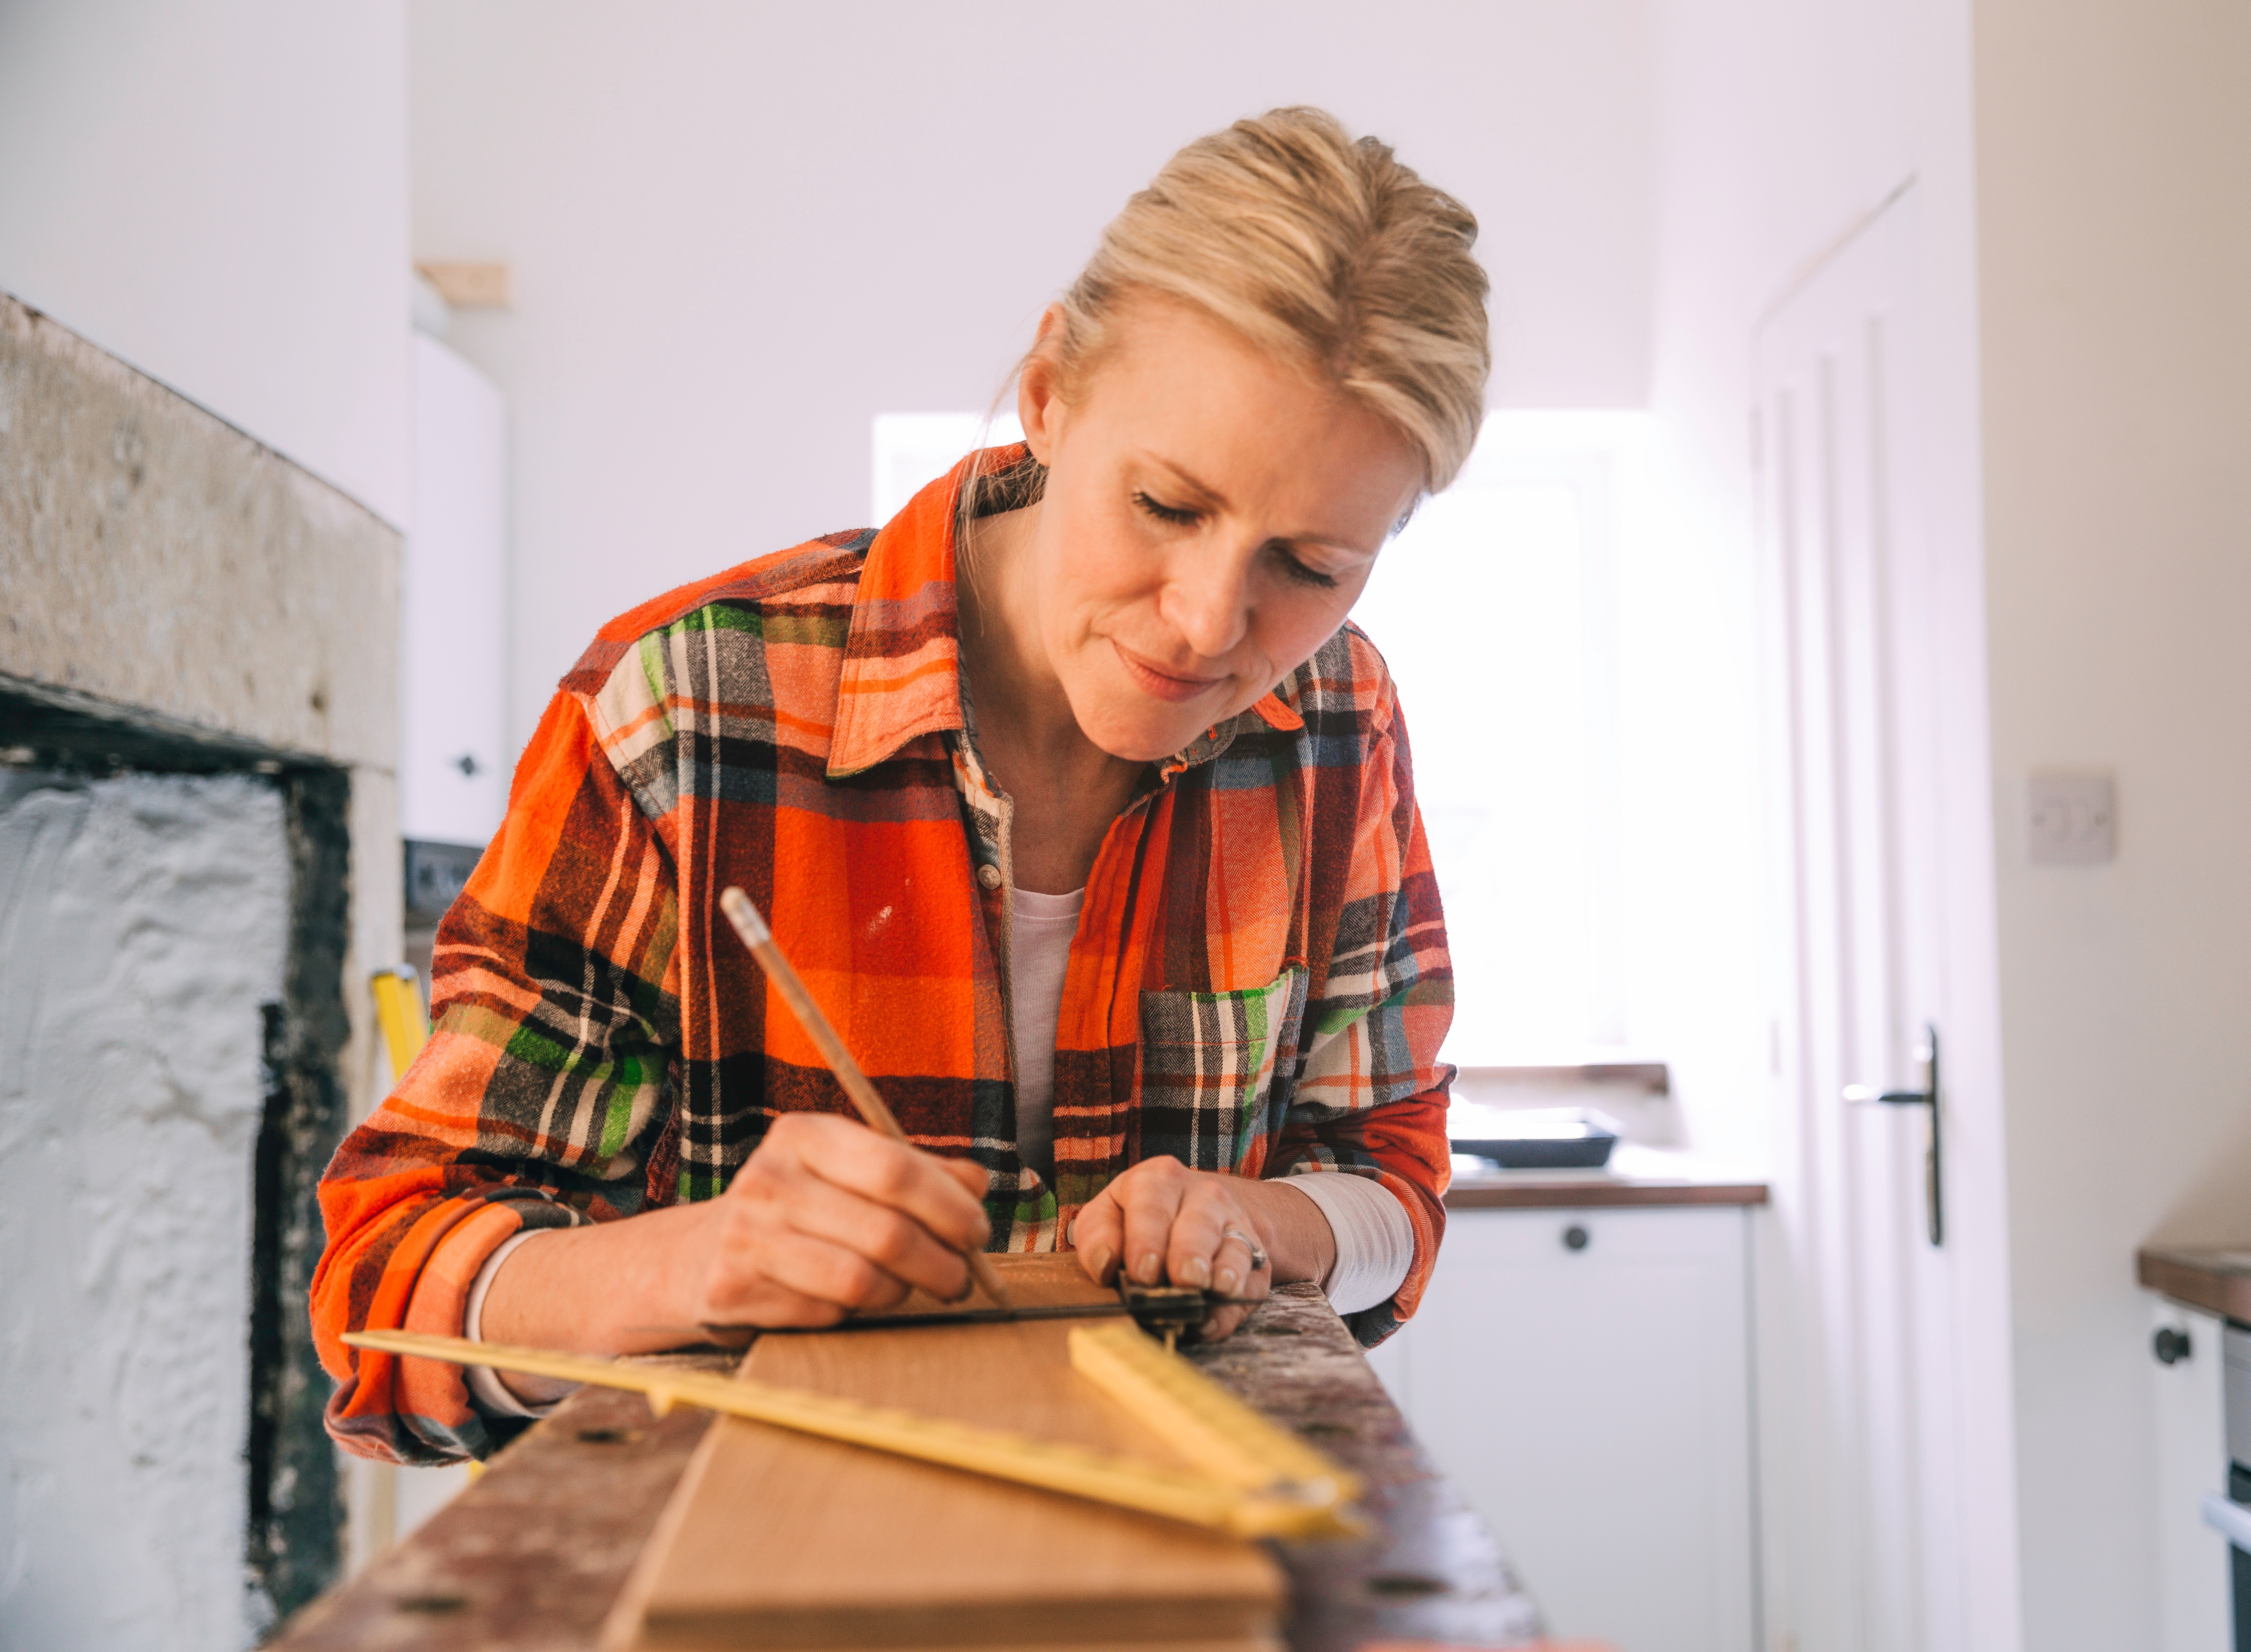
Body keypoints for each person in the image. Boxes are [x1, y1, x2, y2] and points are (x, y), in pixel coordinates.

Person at [312, 106, 1488, 1463]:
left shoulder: (1339, 717)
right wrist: (691, 1265)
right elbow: (380, 1294)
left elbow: (1391, 1176)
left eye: (1311, 568)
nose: (1208, 623)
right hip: (743, 1559)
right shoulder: (683, 711)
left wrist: (1259, 1224)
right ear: (1049, 392)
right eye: (1166, 506)